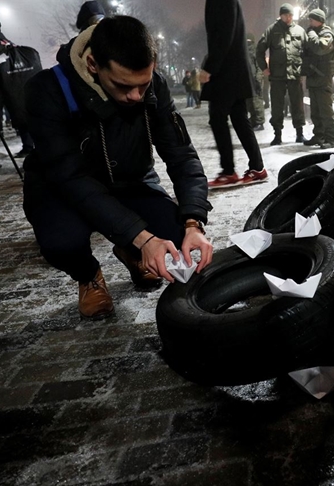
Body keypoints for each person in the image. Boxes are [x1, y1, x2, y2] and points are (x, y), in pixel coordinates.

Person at [22, 16, 213, 320]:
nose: (136, 96)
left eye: (144, 84)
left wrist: (193, 221)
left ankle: (130, 251)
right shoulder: (47, 91)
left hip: (128, 182)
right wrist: (143, 237)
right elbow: (71, 178)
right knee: (62, 242)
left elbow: (181, 155)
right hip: (62, 190)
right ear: (94, 64)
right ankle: (88, 274)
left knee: (177, 238)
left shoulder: (156, 86)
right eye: (124, 86)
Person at [200, 0, 267, 189]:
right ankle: (257, 167)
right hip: (234, 70)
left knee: (217, 118)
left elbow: (223, 36)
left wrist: (209, 67)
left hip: (226, 72)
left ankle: (229, 171)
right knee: (239, 119)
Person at [256, 3, 307, 146]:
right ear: (281, 15)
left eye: (291, 15)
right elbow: (259, 50)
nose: (289, 18)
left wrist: (304, 70)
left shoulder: (299, 31)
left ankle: (299, 134)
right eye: (286, 15)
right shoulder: (272, 30)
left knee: (297, 104)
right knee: (277, 106)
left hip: (294, 75)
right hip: (277, 75)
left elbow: (307, 52)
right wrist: (264, 68)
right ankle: (277, 135)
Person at [0, 16, 39, 158]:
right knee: (23, 113)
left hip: (1, 89)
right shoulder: (6, 41)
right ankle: (30, 146)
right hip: (16, 88)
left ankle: (29, 147)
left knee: (18, 115)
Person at [302, 9, 334, 150]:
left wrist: (310, 33)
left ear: (319, 20)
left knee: (325, 111)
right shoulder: (315, 34)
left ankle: (331, 138)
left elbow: (319, 48)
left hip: (323, 79)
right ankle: (319, 135)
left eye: (312, 20)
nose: (309, 22)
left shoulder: (327, 35)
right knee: (315, 111)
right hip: (314, 77)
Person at [245, 34, 265, 131]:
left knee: (256, 101)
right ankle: (253, 120)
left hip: (254, 79)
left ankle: (259, 122)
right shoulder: (243, 51)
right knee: (249, 101)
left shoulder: (255, 51)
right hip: (247, 79)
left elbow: (259, 66)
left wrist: (258, 78)